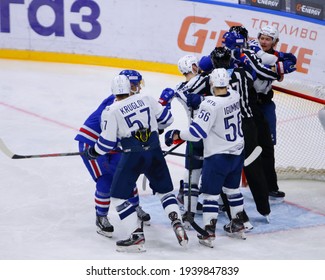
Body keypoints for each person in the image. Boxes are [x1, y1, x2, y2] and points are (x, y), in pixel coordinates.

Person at [83, 74, 188, 252]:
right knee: (165, 192)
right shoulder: (147, 98)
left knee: (117, 196)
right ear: (131, 88)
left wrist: (93, 151)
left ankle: (136, 235)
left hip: (133, 155)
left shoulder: (112, 110)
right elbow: (167, 120)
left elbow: (107, 143)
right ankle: (177, 222)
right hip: (154, 151)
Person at [165, 68, 247, 248]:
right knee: (232, 190)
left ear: (211, 84)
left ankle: (208, 233)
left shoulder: (209, 104)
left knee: (210, 195)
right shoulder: (234, 95)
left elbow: (197, 133)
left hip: (218, 156)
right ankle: (238, 225)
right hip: (237, 153)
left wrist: (176, 134)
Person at [75, 70, 150, 239]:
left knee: (127, 173)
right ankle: (101, 217)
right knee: (106, 180)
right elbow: (107, 133)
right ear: (129, 87)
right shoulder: (113, 104)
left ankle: (134, 206)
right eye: (136, 85)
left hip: (111, 144)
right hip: (92, 144)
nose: (139, 88)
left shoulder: (130, 100)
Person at [222, 26, 296, 199]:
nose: (264, 41)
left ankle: (270, 186)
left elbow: (291, 60)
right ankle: (230, 187)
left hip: (265, 104)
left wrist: (280, 65)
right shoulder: (251, 50)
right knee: (242, 145)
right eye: (262, 37)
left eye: (268, 39)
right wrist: (278, 70)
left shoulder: (274, 55)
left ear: (274, 42)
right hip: (249, 105)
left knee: (268, 147)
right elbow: (262, 69)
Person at [209, 46, 271, 220]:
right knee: (254, 167)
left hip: (228, 127)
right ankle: (264, 208)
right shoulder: (243, 73)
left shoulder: (214, 78)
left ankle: (238, 216)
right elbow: (254, 87)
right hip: (248, 124)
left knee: (225, 169)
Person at [158, 55, 210, 228]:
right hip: (209, 135)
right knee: (208, 172)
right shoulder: (205, 80)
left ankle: (189, 210)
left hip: (193, 133)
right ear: (194, 66)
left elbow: (162, 109)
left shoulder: (179, 88)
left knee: (193, 175)